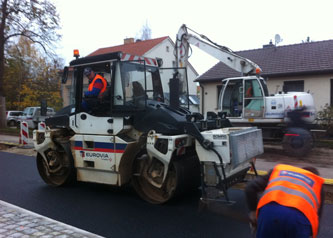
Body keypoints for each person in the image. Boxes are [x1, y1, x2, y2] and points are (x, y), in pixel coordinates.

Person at [245, 164, 325, 238]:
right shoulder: (317, 184)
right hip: (298, 219)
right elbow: (316, 221)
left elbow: (250, 188)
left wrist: (253, 213)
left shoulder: (279, 171)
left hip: (269, 213)